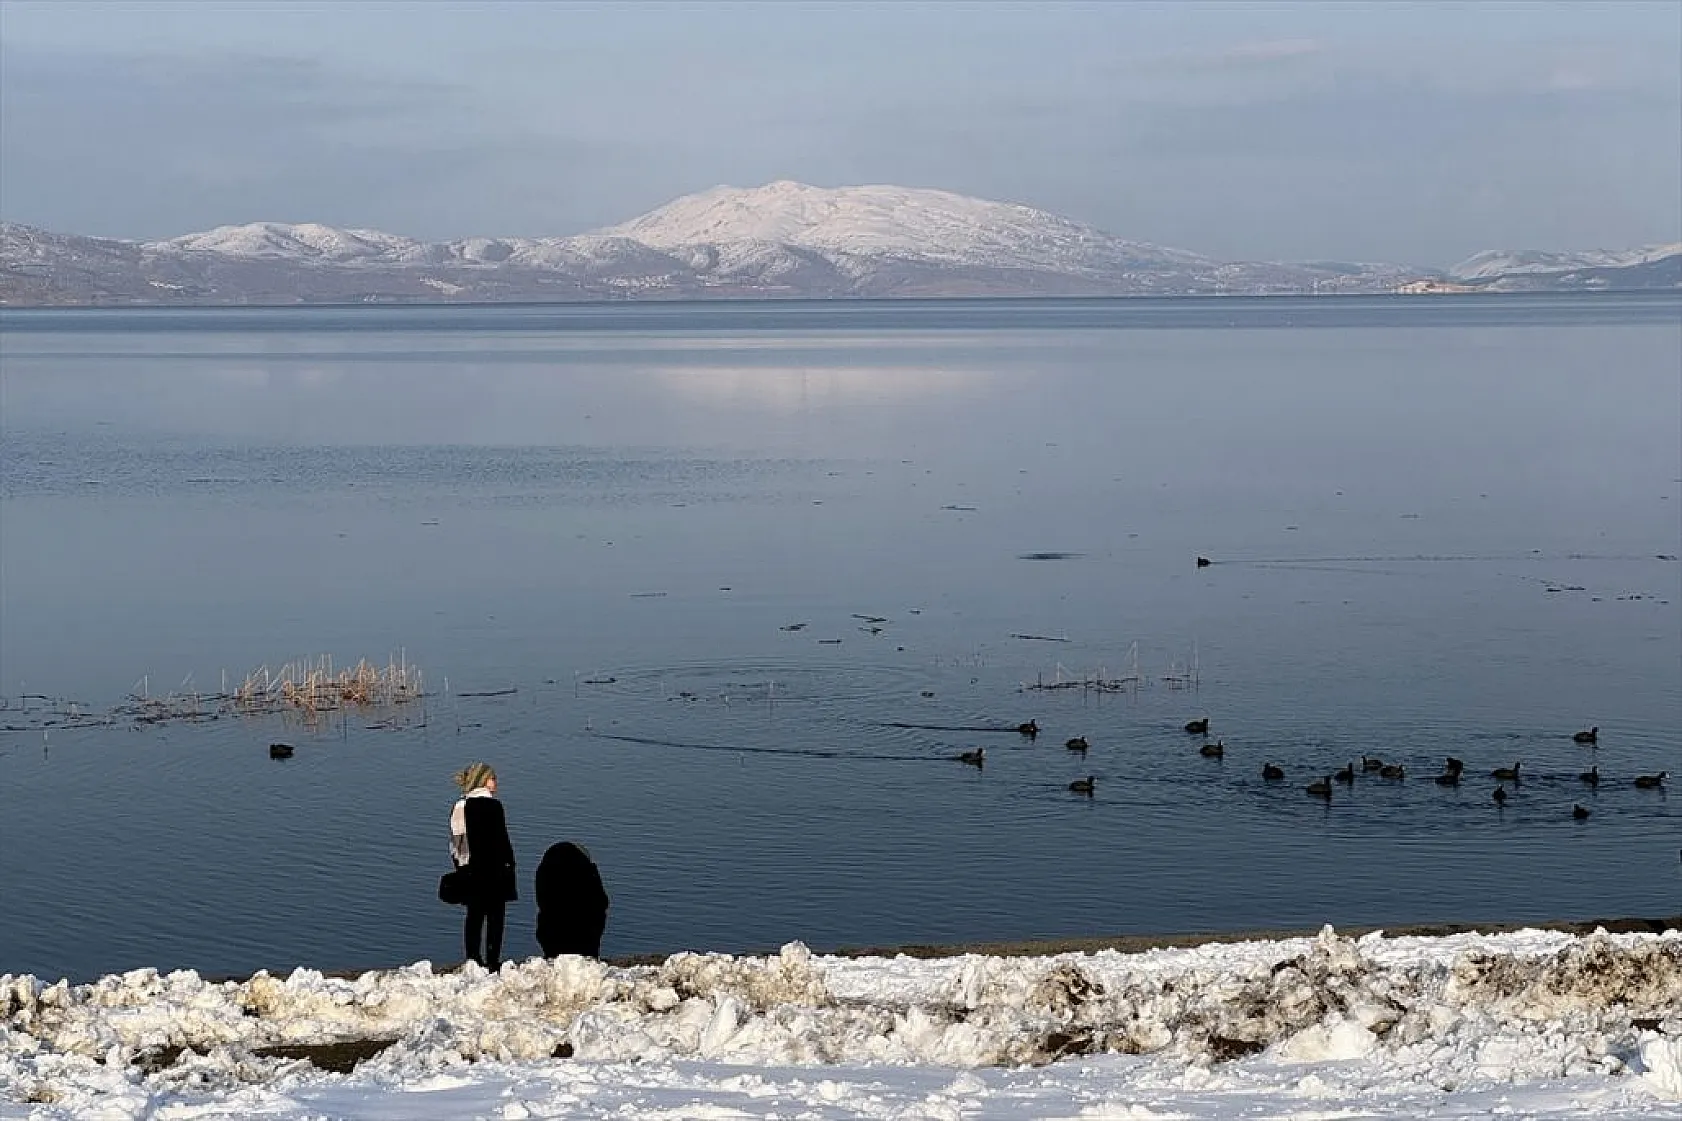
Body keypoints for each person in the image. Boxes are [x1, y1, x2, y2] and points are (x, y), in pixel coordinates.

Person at [448, 762, 517, 969]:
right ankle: (493, 960)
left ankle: (473, 958)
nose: (496, 782)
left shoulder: (462, 806)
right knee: (496, 918)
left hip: (473, 869)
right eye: (493, 778)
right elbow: (503, 840)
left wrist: (461, 866)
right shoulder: (494, 806)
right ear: (483, 781)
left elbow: (457, 842)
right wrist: (510, 864)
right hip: (497, 869)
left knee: (475, 916)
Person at [534, 841, 611, 959]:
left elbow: (542, 903)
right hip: (584, 938)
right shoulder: (587, 876)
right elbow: (602, 901)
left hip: (552, 938)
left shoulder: (546, 874)